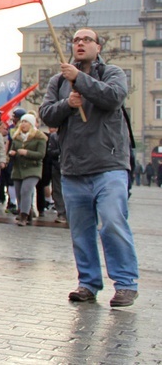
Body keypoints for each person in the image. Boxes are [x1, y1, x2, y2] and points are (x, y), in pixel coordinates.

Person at [40, 28, 139, 307]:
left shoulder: (112, 72)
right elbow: (47, 113)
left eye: (86, 40)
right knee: (81, 230)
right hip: (73, 167)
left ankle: (126, 283)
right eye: (76, 40)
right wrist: (68, 104)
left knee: (112, 222)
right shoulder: (58, 80)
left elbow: (114, 97)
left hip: (109, 164)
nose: (80, 44)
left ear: (98, 46)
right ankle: (88, 283)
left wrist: (79, 79)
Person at [8, 113, 47, 226]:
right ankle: (27, 212)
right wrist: (12, 153)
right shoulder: (16, 137)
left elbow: (41, 154)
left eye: (26, 122)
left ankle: (23, 216)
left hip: (33, 168)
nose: (23, 124)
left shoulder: (39, 137)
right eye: (22, 122)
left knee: (26, 190)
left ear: (31, 124)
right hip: (18, 169)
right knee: (19, 193)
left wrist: (27, 152)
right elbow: (12, 150)